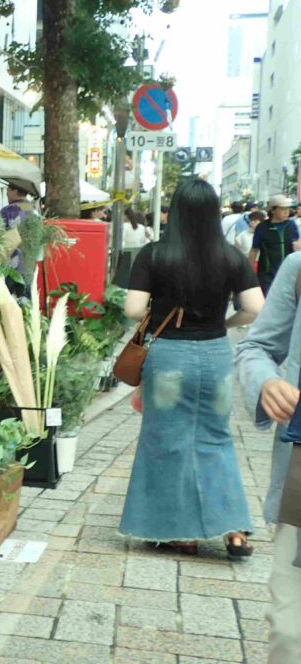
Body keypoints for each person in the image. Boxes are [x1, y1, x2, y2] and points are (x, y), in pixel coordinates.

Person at [120, 179, 263, 556]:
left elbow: (133, 309)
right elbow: (255, 308)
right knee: (216, 438)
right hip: (215, 355)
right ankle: (234, 530)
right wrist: (225, 324)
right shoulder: (231, 256)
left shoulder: (154, 254)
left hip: (168, 356)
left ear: (176, 213)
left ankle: (180, 534)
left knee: (167, 441)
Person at [235, 252, 301, 663]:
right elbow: (256, 346)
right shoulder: (298, 269)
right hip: (300, 477)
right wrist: (266, 382)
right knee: (291, 631)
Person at [251, 195, 299, 295]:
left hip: (289, 273)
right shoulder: (262, 228)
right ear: (273, 210)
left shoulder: (291, 225)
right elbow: (254, 250)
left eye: (288, 209)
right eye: (282, 209)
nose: (287, 212)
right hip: (267, 274)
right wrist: (249, 271)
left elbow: (298, 242)